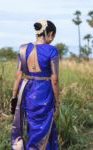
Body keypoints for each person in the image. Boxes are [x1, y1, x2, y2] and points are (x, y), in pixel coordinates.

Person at [10, 19, 59, 150]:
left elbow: (18, 75)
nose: (52, 39)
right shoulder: (52, 51)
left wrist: (14, 97)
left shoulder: (23, 49)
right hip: (44, 91)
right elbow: (54, 79)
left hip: (26, 90)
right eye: (53, 36)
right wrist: (57, 101)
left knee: (31, 124)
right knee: (45, 125)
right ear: (50, 33)